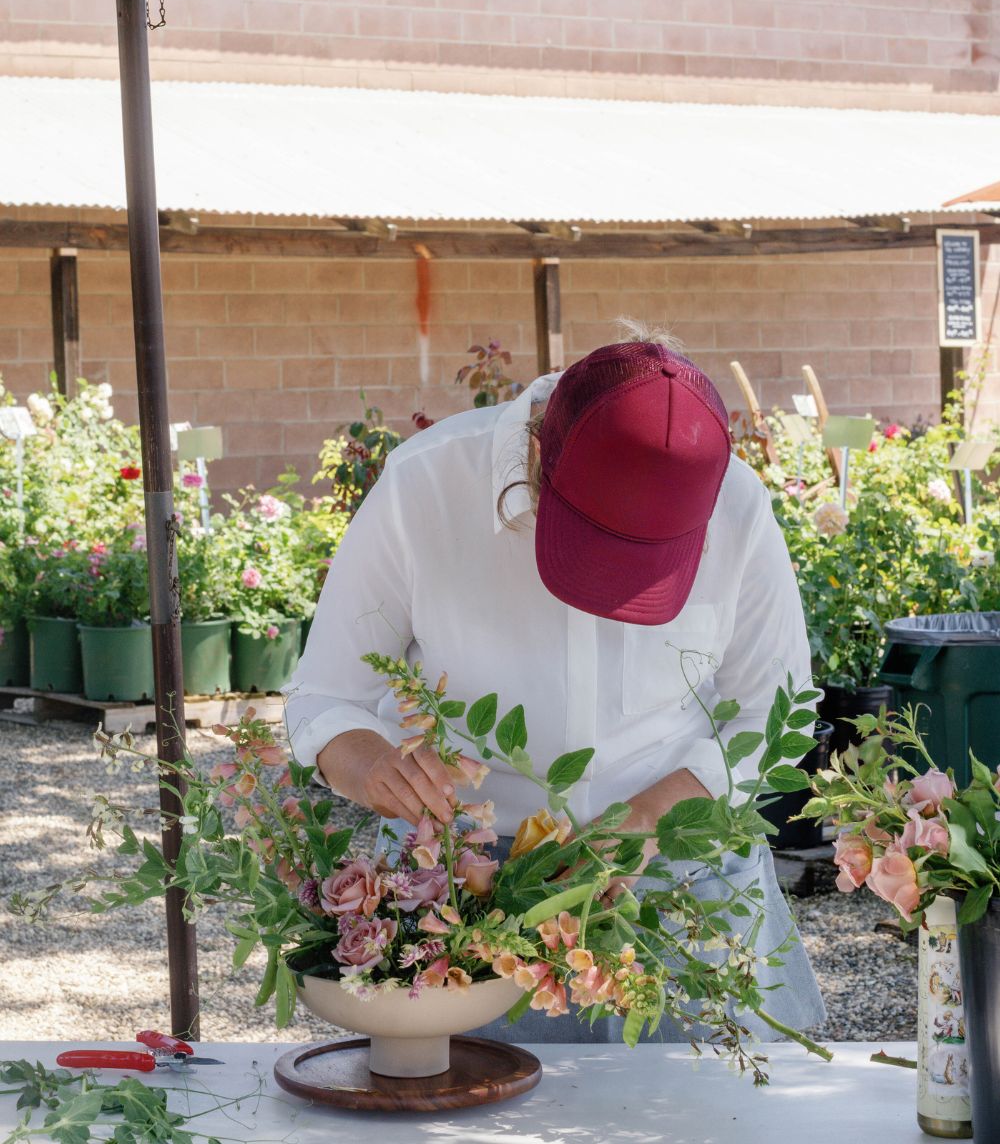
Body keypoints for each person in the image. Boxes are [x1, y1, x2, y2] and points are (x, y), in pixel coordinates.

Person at [284, 328, 826, 1043]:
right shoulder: (426, 486)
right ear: (539, 451)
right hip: (469, 894)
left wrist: (644, 823)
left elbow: (775, 712)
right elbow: (326, 696)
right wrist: (374, 767)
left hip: (683, 867)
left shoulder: (733, 501)